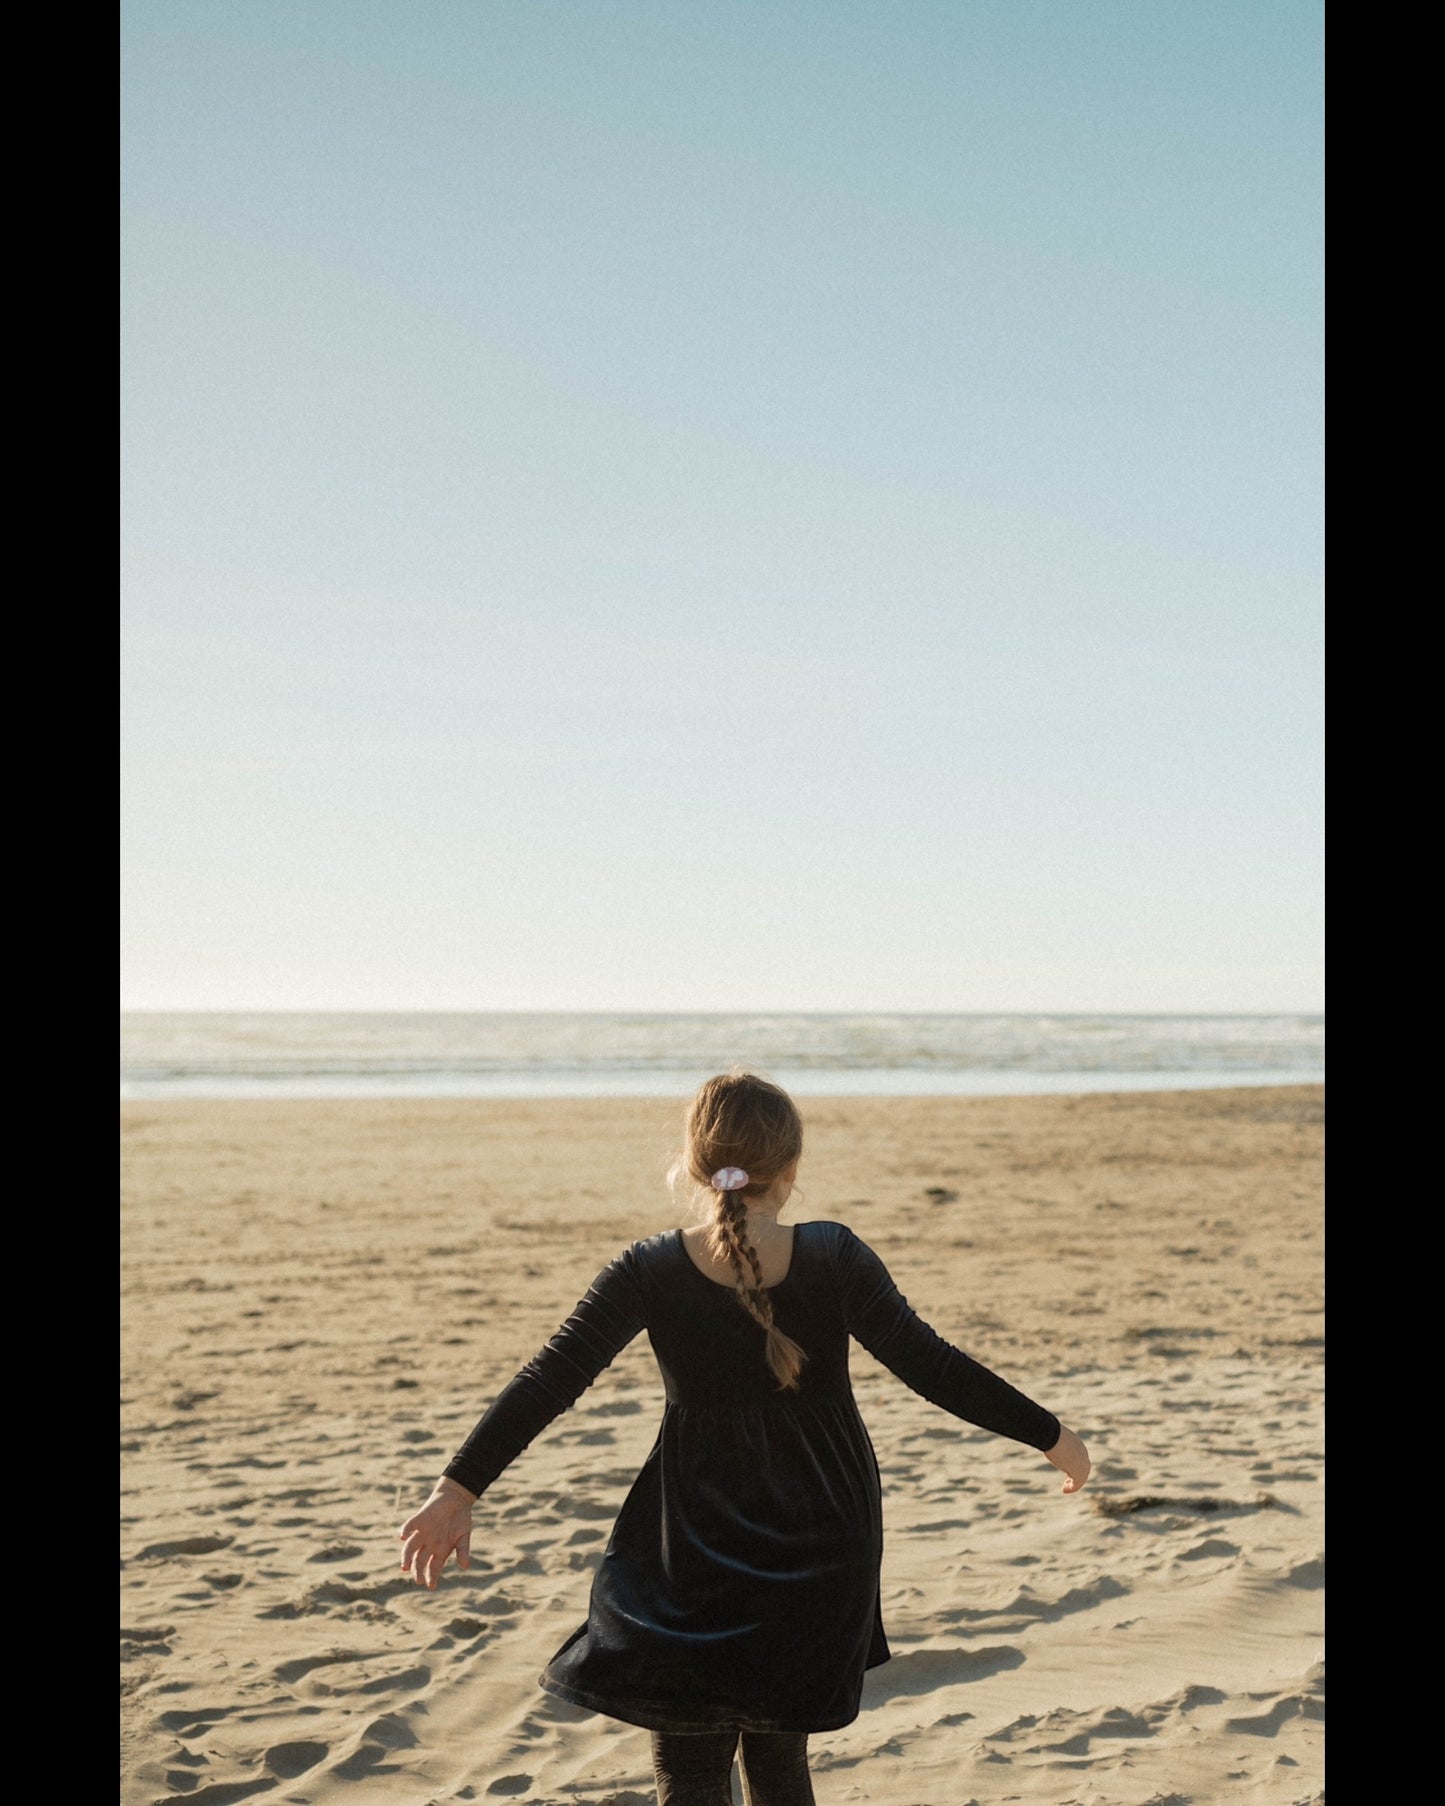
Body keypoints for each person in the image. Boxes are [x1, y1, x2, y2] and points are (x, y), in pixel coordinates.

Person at [399, 1070, 1091, 1805]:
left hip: (690, 1541)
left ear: (695, 1164)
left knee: (690, 1768)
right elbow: (933, 1366)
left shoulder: (649, 1268)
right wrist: (1049, 1435)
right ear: (789, 1168)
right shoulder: (833, 1255)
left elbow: (549, 1380)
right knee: (779, 1759)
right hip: (820, 1537)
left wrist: (456, 1489)